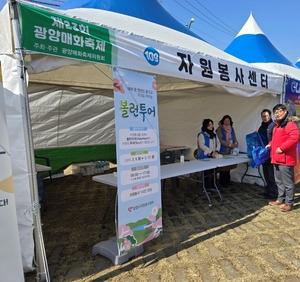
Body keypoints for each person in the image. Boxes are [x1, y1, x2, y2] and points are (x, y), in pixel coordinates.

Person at [267, 104, 299, 212]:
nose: (277, 114)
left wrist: (282, 148)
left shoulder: (290, 124)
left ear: (285, 111)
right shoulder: (277, 125)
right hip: (276, 157)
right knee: (279, 181)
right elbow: (277, 139)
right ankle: (281, 198)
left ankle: (289, 203)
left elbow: (294, 138)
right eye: (275, 112)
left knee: (288, 183)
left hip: (286, 159)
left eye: (279, 111)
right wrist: (271, 144)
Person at [257, 109, 278, 199]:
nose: (265, 118)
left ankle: (274, 193)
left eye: (267, 116)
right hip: (263, 153)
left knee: (271, 174)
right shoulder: (261, 127)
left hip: (271, 153)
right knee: (265, 173)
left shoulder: (273, 126)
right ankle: (267, 191)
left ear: (270, 116)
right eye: (263, 116)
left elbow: (276, 139)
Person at [197, 119, 221, 188]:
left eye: (212, 124)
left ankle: (213, 185)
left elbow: (218, 143)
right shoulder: (202, 135)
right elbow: (201, 145)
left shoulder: (214, 135)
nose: (211, 126)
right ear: (205, 125)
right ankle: (206, 187)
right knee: (206, 172)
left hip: (213, 156)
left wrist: (216, 150)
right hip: (205, 157)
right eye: (209, 125)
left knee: (214, 171)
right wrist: (211, 152)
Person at [216, 115, 238, 187]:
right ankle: (222, 181)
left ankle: (227, 180)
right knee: (223, 167)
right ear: (223, 121)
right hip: (223, 150)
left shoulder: (232, 128)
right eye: (225, 121)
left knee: (228, 166)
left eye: (228, 121)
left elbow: (234, 137)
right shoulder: (219, 129)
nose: (226, 122)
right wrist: (229, 144)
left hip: (230, 150)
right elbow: (220, 140)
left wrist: (236, 143)